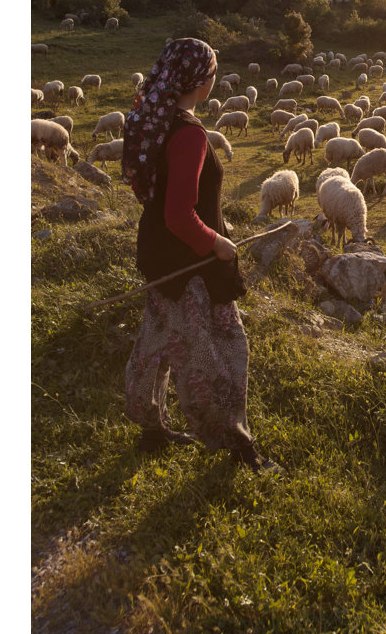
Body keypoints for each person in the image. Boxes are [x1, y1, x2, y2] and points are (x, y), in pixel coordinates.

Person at [120, 37, 277, 472]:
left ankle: (151, 427)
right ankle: (237, 445)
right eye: (212, 71)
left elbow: (156, 197)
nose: (214, 77)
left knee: (156, 341)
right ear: (200, 81)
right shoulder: (189, 135)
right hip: (191, 261)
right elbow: (178, 213)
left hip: (159, 254)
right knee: (221, 351)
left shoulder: (157, 122)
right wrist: (216, 243)